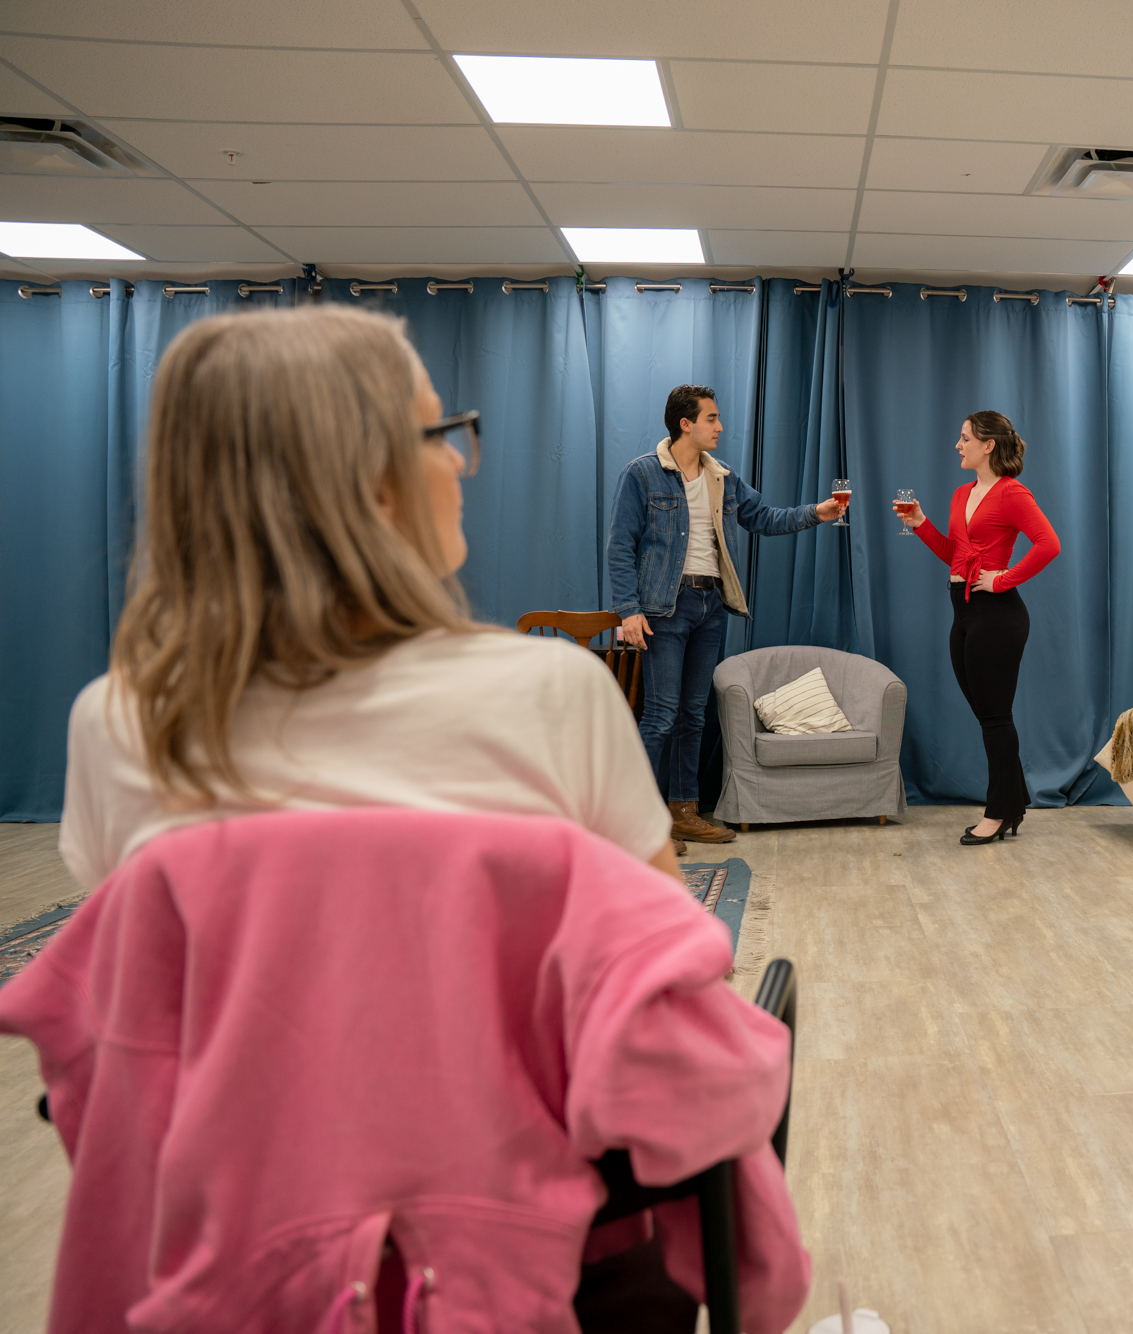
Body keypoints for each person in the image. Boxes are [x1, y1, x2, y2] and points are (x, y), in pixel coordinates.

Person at [57, 305, 737, 1327]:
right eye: (441, 434)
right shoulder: (554, 695)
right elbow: (667, 1004)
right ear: (367, 479)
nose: (461, 464)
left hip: (230, 1256)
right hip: (538, 1255)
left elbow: (140, 1024)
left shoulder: (118, 723)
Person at [606, 385, 848, 846]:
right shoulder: (642, 475)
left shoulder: (723, 478)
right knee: (660, 715)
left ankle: (683, 812)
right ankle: (631, 821)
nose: (720, 427)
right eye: (712, 419)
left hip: (710, 606)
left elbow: (766, 518)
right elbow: (620, 546)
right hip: (663, 608)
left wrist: (816, 512)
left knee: (694, 716)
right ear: (686, 424)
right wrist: (628, 611)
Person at [901, 411, 1060, 845]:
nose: (958, 444)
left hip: (998, 615)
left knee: (994, 717)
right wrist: (919, 524)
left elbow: (1049, 544)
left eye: (965, 437)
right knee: (989, 717)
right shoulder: (961, 494)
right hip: (964, 609)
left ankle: (998, 812)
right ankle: (1013, 802)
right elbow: (955, 554)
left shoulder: (1012, 493)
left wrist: (1004, 579)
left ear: (988, 445)